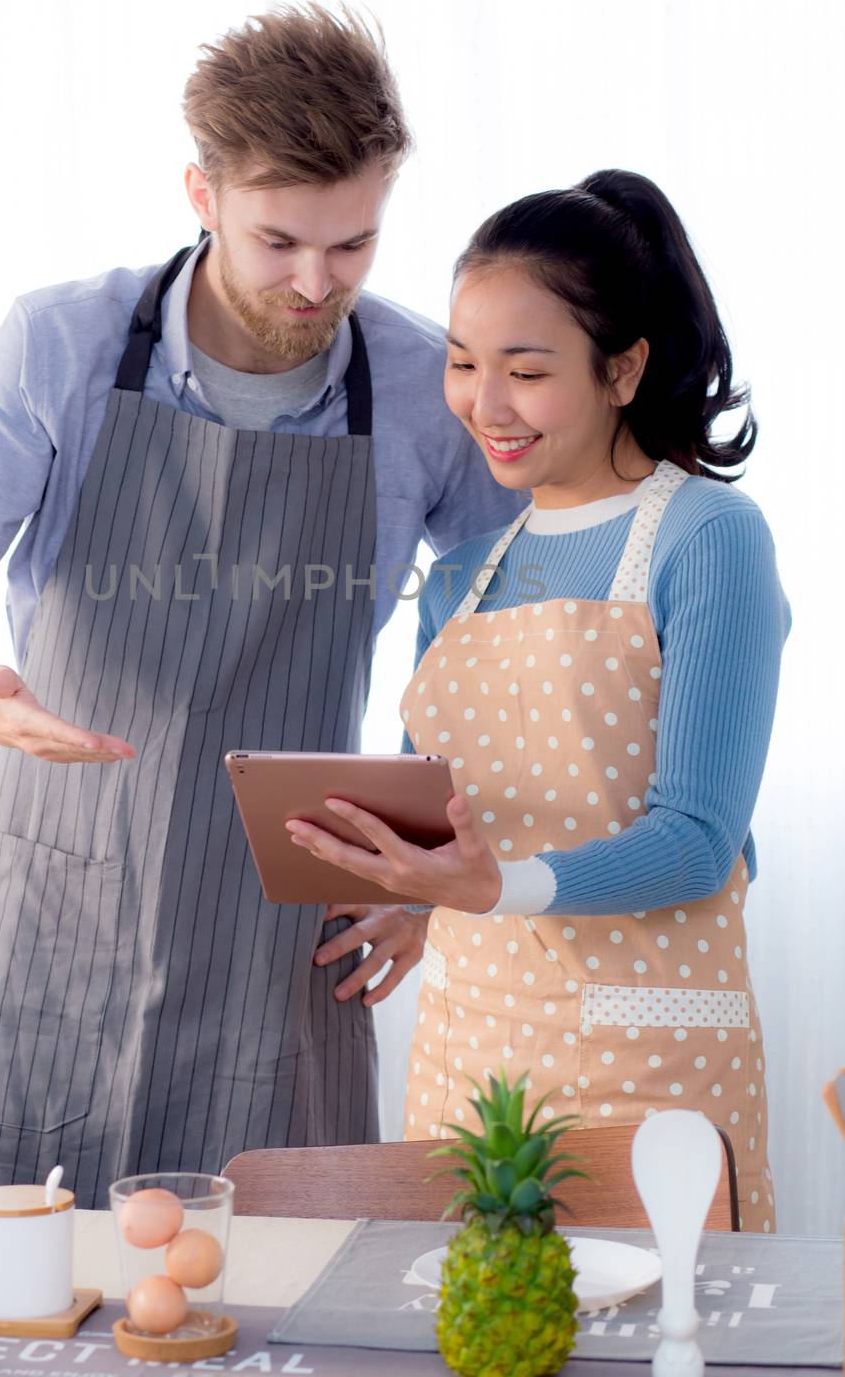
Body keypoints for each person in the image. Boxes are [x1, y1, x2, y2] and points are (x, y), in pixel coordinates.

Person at [0, 4, 524, 1204]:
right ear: (201, 191)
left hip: (280, 931)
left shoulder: (422, 381)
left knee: (277, 1273)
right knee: (1, 1277)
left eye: (353, 246)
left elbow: (504, 643)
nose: (313, 281)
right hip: (54, 892)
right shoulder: (57, 343)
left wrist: (421, 869)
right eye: (279, 239)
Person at [286, 169, 788, 1233]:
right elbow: (454, 820)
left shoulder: (708, 540)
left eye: (524, 369)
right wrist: (409, 888)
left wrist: (488, 885)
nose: (483, 404)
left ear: (622, 368)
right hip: (470, 1061)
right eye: (462, 365)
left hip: (645, 1070)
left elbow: (697, 840)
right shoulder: (463, 572)